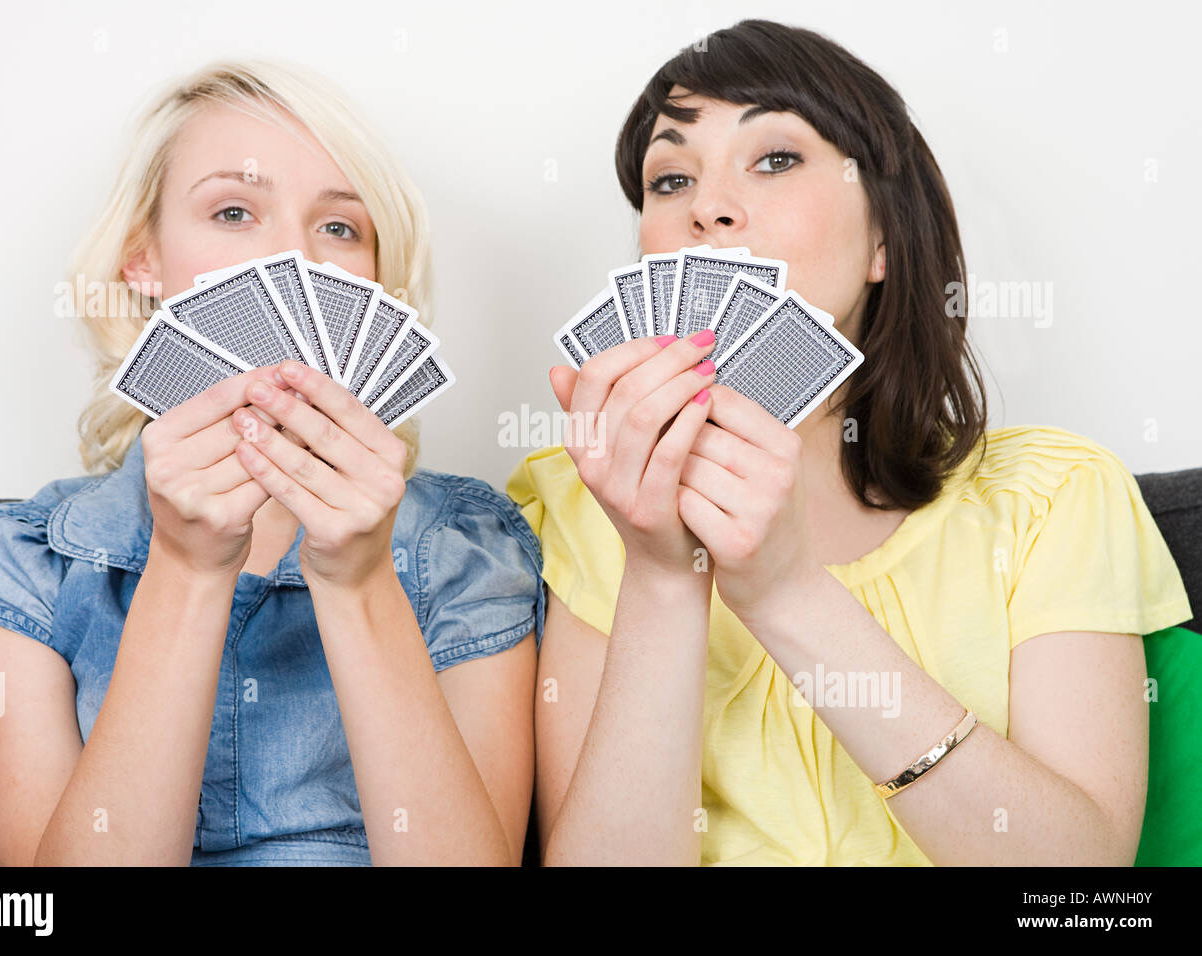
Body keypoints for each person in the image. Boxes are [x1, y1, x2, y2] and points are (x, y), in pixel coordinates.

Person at [507, 19, 1193, 866]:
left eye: (776, 159)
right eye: (670, 177)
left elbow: (1073, 884)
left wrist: (785, 593)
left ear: (881, 240)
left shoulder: (1052, 497)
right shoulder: (580, 501)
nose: (706, 207)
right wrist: (660, 575)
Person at [0, 59, 545, 866]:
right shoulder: (7, 570)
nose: (292, 258)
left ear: (378, 283)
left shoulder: (470, 551)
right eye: (235, 211)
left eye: (340, 227)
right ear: (144, 263)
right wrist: (185, 570)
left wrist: (358, 582)